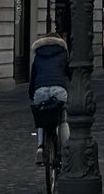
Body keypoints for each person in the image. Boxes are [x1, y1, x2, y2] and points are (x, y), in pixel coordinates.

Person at [28, 32, 70, 162]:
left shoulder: (38, 55)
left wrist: (31, 94)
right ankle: (66, 150)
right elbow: (68, 73)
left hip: (40, 89)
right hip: (59, 88)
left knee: (41, 119)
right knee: (62, 120)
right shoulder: (63, 54)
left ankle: (40, 147)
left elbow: (33, 77)